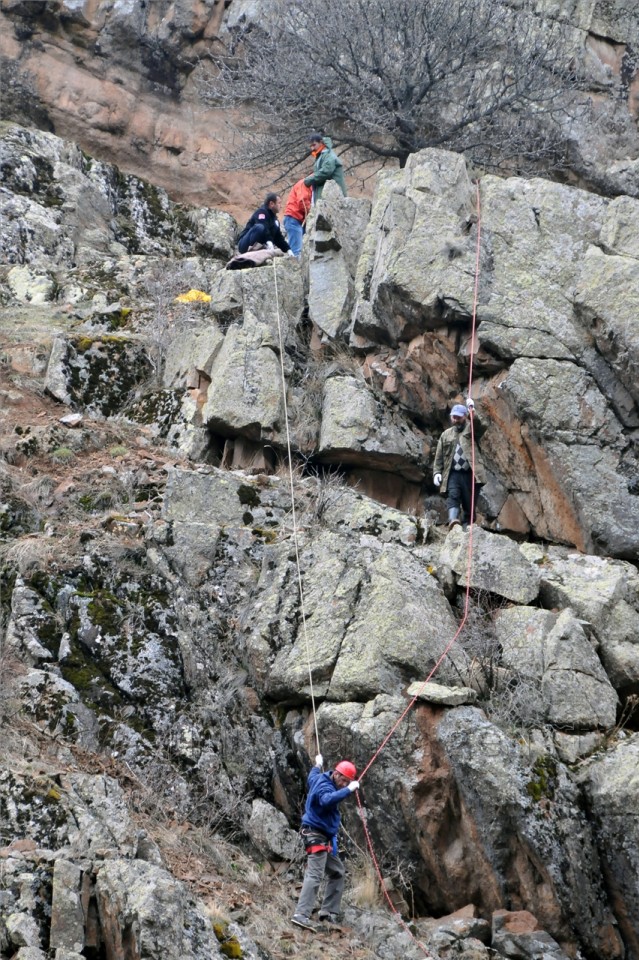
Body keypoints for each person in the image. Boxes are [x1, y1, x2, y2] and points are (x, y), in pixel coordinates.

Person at [291, 754, 359, 931]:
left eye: (347, 782)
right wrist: (349, 790)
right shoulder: (324, 786)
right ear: (336, 774)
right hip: (315, 834)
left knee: (337, 871)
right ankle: (301, 914)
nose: (343, 784)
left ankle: (327, 912)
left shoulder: (319, 777)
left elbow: (311, 776)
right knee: (315, 874)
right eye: (343, 780)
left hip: (321, 835)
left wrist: (317, 764)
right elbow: (326, 800)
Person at [433, 398, 486, 527]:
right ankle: (453, 521)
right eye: (453, 417)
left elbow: (479, 425)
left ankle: (467, 525)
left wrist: (472, 411)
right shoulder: (446, 435)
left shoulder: (471, 430)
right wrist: (436, 472)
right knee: (453, 495)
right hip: (453, 474)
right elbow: (439, 456)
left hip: (470, 474)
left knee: (469, 502)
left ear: (464, 417)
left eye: (458, 418)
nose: (455, 420)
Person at [304, 134, 347, 201]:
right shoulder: (322, 156)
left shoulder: (329, 155)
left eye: (314, 145)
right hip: (328, 196)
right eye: (311, 146)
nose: (312, 148)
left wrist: (309, 180)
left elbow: (326, 172)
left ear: (321, 142)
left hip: (335, 197)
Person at [283, 179, 313, 258]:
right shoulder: (305, 184)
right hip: (294, 219)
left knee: (300, 251)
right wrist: (313, 211)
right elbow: (302, 201)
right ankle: (295, 269)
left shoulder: (310, 186)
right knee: (296, 251)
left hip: (297, 219)